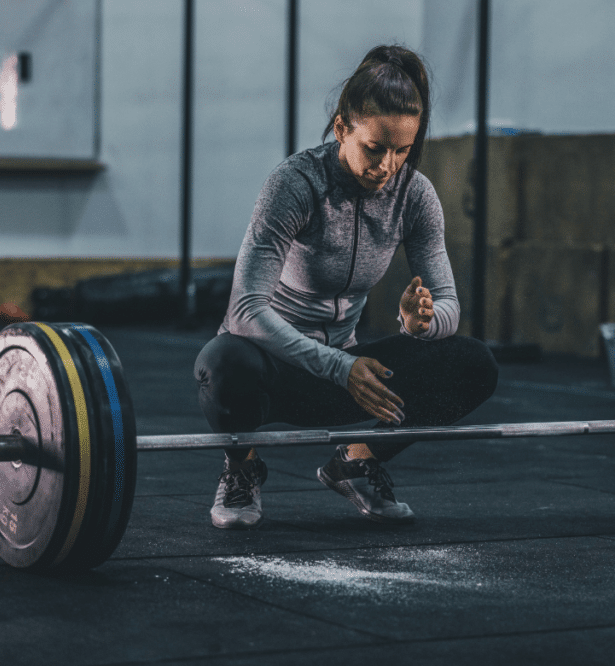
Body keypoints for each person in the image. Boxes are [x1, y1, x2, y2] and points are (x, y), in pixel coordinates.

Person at [194, 44, 499, 530]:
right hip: (277, 367)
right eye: (374, 148)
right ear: (342, 128)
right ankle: (242, 465)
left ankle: (354, 462)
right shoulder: (295, 183)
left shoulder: (415, 196)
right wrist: (341, 367)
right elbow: (247, 309)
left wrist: (419, 324)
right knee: (221, 361)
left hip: (350, 372)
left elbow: (449, 308)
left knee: (473, 364)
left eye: (402, 150)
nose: (388, 165)